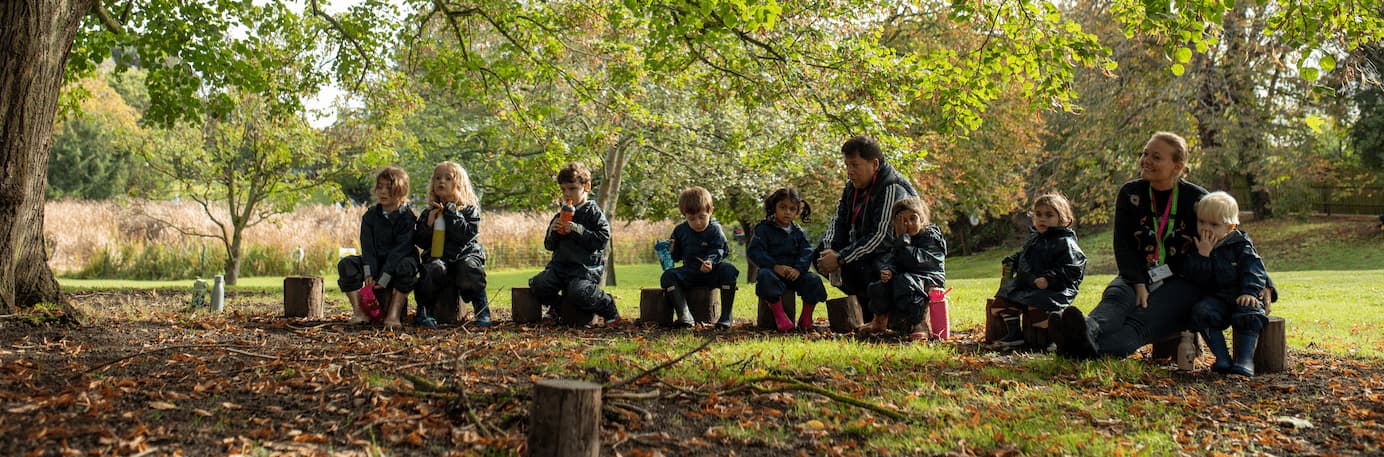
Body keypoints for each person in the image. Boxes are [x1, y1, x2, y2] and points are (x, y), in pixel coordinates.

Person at [1053, 132, 1209, 358]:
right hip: (1139, 273)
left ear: (1178, 167)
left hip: (1180, 282)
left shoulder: (1198, 200)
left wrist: (1264, 283)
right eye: (1145, 153)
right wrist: (1137, 281)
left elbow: (1234, 237)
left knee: (1139, 323)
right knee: (1116, 298)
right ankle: (1086, 329)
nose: (1146, 160)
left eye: (1156, 157)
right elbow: (1123, 244)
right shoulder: (1131, 193)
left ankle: (1080, 349)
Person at [815, 135, 919, 322]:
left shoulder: (891, 187)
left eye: (855, 165)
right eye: (847, 165)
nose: (849, 172)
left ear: (875, 164)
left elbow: (881, 237)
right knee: (819, 256)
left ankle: (879, 311)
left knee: (869, 266)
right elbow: (838, 220)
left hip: (896, 256)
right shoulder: (851, 188)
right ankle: (865, 307)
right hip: (866, 251)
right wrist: (829, 250)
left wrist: (841, 258)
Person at [528, 162, 624, 326]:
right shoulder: (561, 214)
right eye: (564, 189)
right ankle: (557, 307)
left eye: (572, 188)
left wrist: (578, 230)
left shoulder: (593, 213)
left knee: (579, 292)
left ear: (586, 186)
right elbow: (549, 245)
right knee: (538, 284)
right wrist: (553, 231)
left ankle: (608, 308)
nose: (567, 194)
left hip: (584, 269)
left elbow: (602, 239)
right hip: (559, 267)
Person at [1186, 192, 1271, 376]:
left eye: (1214, 225)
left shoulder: (1240, 245)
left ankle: (1245, 360)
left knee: (1250, 314)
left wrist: (1250, 291)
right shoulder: (1198, 246)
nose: (1206, 229)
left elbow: (1255, 270)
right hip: (1218, 300)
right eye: (1202, 222)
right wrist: (1203, 257)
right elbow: (1197, 278)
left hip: (1242, 295)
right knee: (1202, 312)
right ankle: (1222, 358)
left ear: (1230, 227)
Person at [992, 193, 1087, 348]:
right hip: (1029, 283)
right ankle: (1015, 334)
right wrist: (1013, 260)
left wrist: (1050, 279)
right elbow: (1026, 255)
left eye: (1049, 215)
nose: (1042, 219)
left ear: (1063, 219)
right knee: (1002, 301)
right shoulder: (1035, 238)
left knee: (1037, 309)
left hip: (1055, 288)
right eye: (1038, 214)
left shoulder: (1065, 242)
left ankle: (1055, 337)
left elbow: (1074, 268)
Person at [337, 166, 420, 328]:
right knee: (346, 265)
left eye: (389, 188)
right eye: (380, 187)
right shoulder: (370, 216)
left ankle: (393, 315)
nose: (383, 192)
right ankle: (359, 312)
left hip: (398, 263)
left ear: (401, 191)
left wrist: (384, 277)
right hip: (376, 261)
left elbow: (400, 250)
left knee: (407, 267)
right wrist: (370, 272)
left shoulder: (407, 218)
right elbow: (368, 247)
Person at [858, 197, 946, 340]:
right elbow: (894, 258)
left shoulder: (930, 236)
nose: (909, 224)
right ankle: (880, 320)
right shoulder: (902, 239)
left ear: (922, 219)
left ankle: (919, 323)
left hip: (929, 278)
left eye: (913, 218)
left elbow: (918, 262)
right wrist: (889, 270)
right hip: (908, 276)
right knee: (878, 286)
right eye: (903, 221)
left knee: (905, 282)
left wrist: (901, 240)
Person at [414, 162, 490, 328]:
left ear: (459, 185)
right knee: (432, 268)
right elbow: (420, 241)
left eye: (448, 178)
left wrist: (451, 212)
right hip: (439, 257)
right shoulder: (429, 212)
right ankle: (425, 310)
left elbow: (465, 235)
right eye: (438, 178)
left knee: (470, 268)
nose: (442, 181)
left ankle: (481, 308)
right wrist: (428, 224)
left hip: (465, 254)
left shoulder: (468, 210)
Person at [747, 188, 828, 332]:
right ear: (774, 208)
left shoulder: (797, 231)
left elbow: (806, 251)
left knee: (813, 280)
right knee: (764, 276)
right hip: (774, 273)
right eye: (783, 207)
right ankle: (780, 316)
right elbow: (755, 251)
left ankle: (806, 317)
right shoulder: (763, 228)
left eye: (792, 209)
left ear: (797, 212)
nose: (787, 212)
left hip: (793, 273)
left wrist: (798, 268)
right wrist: (774, 266)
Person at [659, 187, 740, 329]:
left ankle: (726, 316)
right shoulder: (680, 231)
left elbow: (721, 249)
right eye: (692, 219)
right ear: (684, 215)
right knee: (667, 276)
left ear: (710, 211)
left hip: (712, 272)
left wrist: (711, 261)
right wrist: (672, 250)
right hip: (690, 272)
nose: (697, 222)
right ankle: (684, 315)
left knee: (729, 270)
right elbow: (677, 257)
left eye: (702, 217)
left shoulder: (715, 229)